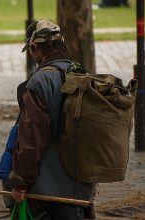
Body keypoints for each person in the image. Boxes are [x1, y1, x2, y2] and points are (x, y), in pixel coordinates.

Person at [9, 19, 95, 219]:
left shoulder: (39, 82)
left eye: (31, 51)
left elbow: (32, 137)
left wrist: (20, 181)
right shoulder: (82, 74)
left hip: (47, 190)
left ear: (34, 47)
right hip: (81, 185)